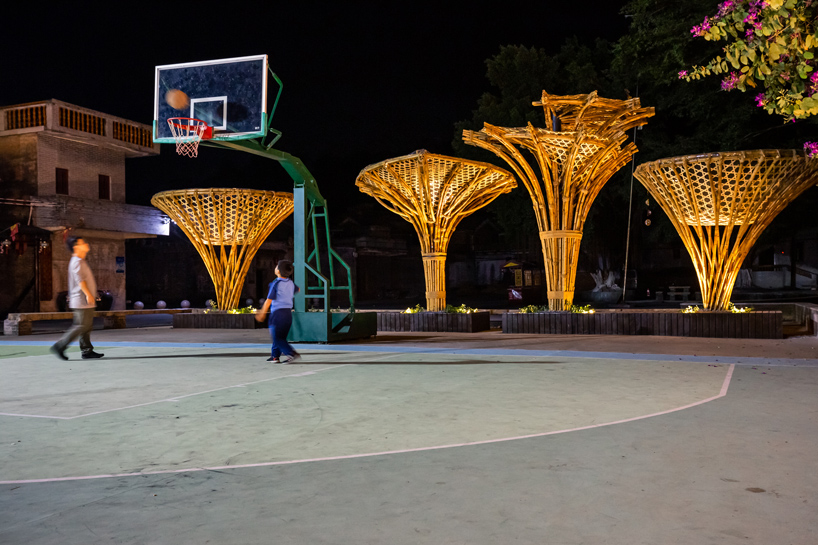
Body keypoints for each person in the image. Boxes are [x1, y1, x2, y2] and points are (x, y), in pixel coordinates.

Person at [50, 236, 104, 360]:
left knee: (86, 326)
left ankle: (87, 350)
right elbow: (80, 281)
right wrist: (88, 294)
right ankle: (60, 346)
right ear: (76, 247)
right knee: (81, 325)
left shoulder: (81, 260)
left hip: (84, 300)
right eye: (82, 243)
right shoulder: (76, 262)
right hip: (81, 299)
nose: (85, 244)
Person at [255, 260, 300, 363]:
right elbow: (298, 289)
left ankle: (291, 353)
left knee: (277, 336)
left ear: (278, 271)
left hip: (277, 313)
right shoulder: (290, 283)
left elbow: (269, 300)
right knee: (280, 336)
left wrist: (262, 312)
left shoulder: (276, 283)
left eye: (276, 267)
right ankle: (275, 356)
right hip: (287, 313)